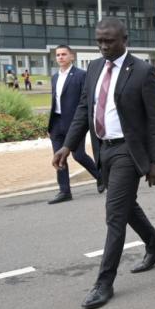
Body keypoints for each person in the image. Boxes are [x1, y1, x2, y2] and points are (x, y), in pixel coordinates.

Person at [53, 17, 155, 309]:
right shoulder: (93, 68)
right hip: (102, 149)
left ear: (124, 39)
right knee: (126, 206)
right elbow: (84, 110)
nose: (104, 46)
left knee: (115, 214)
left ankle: (104, 282)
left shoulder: (143, 71)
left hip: (128, 152)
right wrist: (68, 145)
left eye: (110, 41)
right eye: (100, 41)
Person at [47, 45, 103, 204]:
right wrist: (50, 125)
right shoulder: (54, 77)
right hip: (57, 123)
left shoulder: (81, 76)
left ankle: (100, 177)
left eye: (64, 54)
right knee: (59, 157)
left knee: (78, 155)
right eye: (58, 55)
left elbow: (86, 101)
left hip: (74, 123)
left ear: (72, 56)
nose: (60, 57)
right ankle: (64, 191)